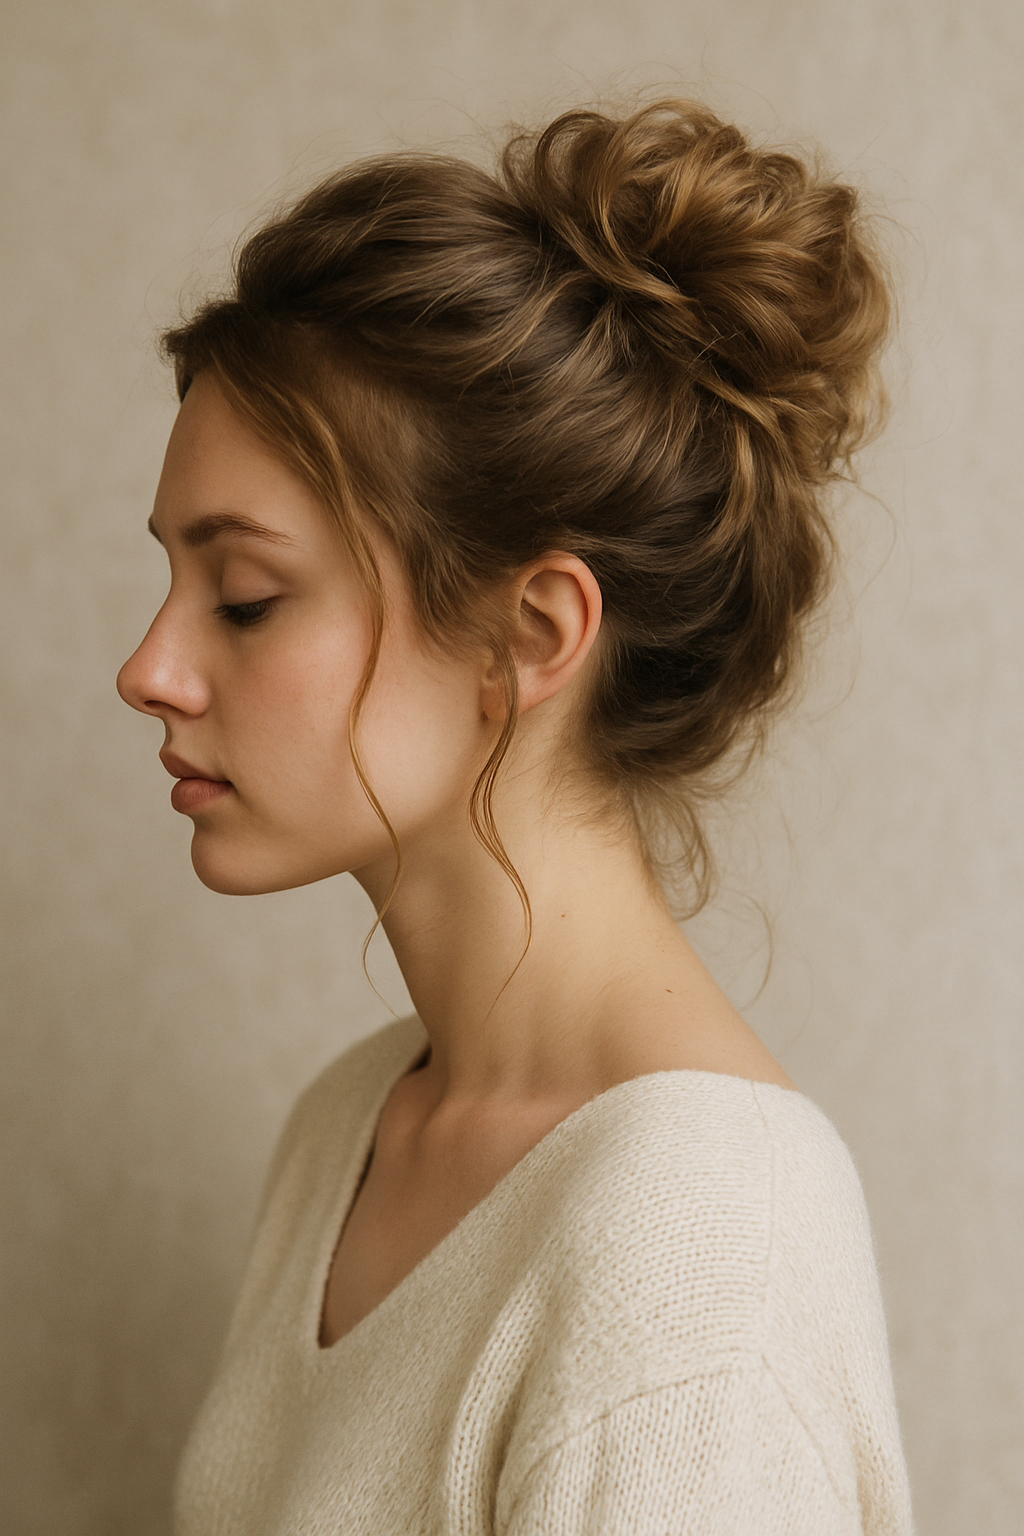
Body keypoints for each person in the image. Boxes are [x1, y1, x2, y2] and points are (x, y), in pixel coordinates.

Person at [117, 98, 914, 1534]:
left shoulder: (700, 1246)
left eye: (244, 597)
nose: (149, 667)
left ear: (531, 631)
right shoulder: (350, 1127)